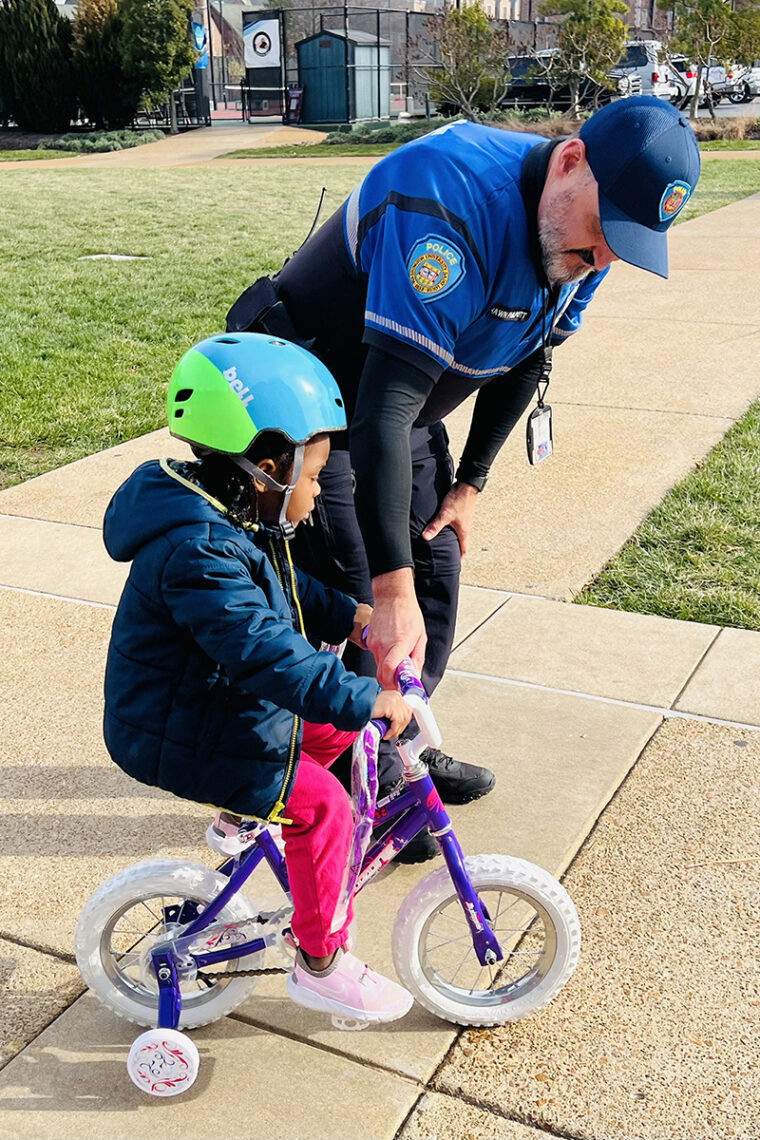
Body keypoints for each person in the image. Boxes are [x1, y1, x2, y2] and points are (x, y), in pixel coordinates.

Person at [226, 95, 701, 861]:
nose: (603, 260)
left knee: (436, 567)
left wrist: (469, 485)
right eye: (601, 237)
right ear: (572, 159)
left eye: (623, 246)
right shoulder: (447, 196)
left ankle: (390, 751)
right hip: (315, 412)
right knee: (363, 593)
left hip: (400, 411)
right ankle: (330, 785)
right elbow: (379, 408)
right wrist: (388, 588)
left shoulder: (586, 237)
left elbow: (531, 355)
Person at [102, 332, 415, 1025]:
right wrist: (367, 694)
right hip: (181, 731)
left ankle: (243, 821)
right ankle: (320, 963)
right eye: (313, 478)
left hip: (206, 706)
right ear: (267, 468)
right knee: (325, 808)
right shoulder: (196, 552)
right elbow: (265, 649)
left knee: (333, 736)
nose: (318, 493)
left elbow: (283, 590)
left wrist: (353, 616)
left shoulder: (223, 519)